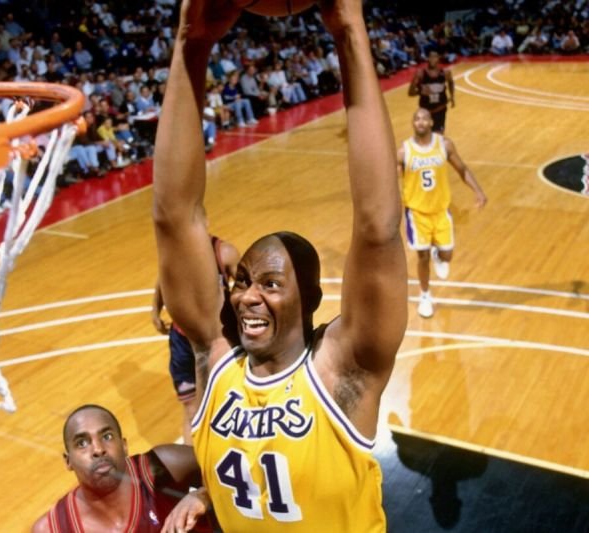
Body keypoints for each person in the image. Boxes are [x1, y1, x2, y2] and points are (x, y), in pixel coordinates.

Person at [152, 0, 407, 531]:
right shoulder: (216, 364)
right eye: (244, 281)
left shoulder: (343, 371)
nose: (248, 296)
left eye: (271, 283)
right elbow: (175, 217)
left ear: (311, 300)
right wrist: (190, 44)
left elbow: (378, 227)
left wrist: (350, 32)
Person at [31, 404, 212, 532]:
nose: (98, 449)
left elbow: (228, 466)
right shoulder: (52, 528)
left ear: (124, 445)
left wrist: (204, 495)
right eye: (82, 443)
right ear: (68, 461)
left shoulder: (165, 465)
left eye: (107, 437)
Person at [151, 233, 240, 445]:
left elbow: (246, 290)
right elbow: (163, 279)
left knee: (230, 403)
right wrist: (155, 309)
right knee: (191, 411)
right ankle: (192, 463)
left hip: (218, 340)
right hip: (182, 342)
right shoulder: (173, 251)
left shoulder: (225, 253)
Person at [398, 108, 487, 318]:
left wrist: (478, 191)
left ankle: (439, 255)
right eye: (416, 119)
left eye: (424, 118)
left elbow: (462, 169)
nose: (420, 122)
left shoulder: (444, 145)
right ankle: (425, 296)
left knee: (447, 254)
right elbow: (392, 183)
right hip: (416, 213)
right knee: (422, 256)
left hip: (441, 211)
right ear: (413, 123)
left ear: (431, 122)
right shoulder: (404, 152)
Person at [408, 51, 454, 133]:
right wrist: (420, 91)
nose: (432, 59)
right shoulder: (420, 74)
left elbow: (451, 82)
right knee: (425, 135)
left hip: (440, 109)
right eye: (430, 57)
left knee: (439, 135)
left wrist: (452, 96)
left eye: (434, 57)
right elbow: (410, 93)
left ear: (438, 59)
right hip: (425, 111)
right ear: (427, 59)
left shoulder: (446, 73)